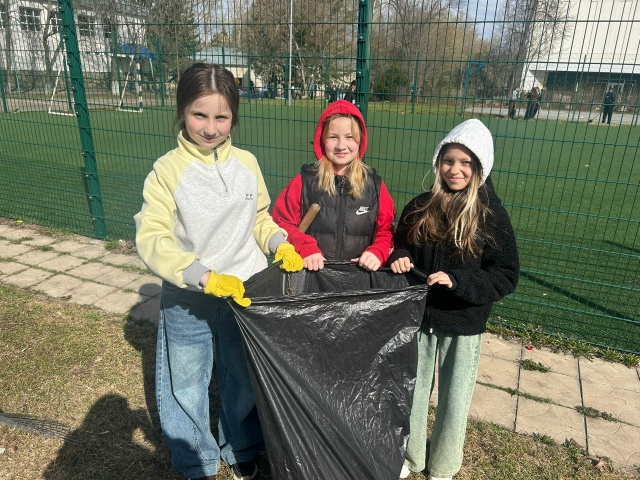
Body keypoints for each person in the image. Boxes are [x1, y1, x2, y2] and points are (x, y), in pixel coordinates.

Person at [134, 63, 303, 480]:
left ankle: (240, 444)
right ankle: (196, 459)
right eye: (199, 115)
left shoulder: (246, 163)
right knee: (186, 382)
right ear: (181, 111)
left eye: (221, 117)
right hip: (188, 297)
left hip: (244, 292)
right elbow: (153, 237)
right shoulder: (166, 170)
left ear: (234, 118)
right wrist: (202, 276)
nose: (210, 128)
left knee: (242, 376)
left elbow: (259, 218)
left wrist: (278, 243)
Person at [389, 119, 520, 480]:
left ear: (480, 167)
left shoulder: (491, 216)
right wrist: (400, 256)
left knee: (454, 399)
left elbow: (506, 274)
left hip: (464, 323)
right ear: (438, 162)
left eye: (465, 162)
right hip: (419, 318)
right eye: (448, 161)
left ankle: (443, 466)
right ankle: (411, 457)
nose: (455, 169)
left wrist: (459, 281)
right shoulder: (420, 206)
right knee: (413, 393)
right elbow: (401, 244)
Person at [271, 99, 395, 272]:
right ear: (322, 140)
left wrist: (377, 252)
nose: (341, 146)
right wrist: (304, 247)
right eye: (333, 137)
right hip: (313, 274)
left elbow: (386, 231)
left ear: (360, 140)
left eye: (349, 137)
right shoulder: (304, 181)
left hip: (358, 276)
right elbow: (281, 223)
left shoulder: (375, 186)